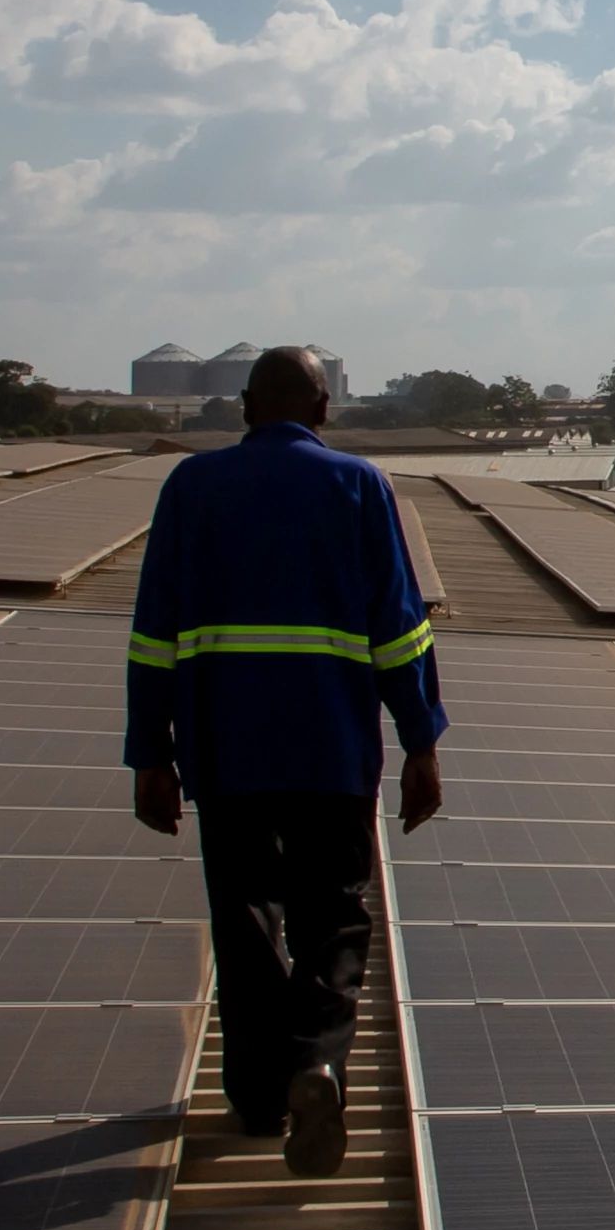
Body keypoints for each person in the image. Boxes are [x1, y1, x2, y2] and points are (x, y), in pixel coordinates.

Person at [123, 346, 443, 1177]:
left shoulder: (191, 489)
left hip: (223, 751)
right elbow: (400, 630)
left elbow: (153, 632)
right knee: (334, 917)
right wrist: (421, 740)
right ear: (324, 408)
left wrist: (148, 754)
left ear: (241, 405)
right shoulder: (359, 486)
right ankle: (314, 1060)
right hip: (329, 749)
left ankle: (262, 1100)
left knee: (246, 916)